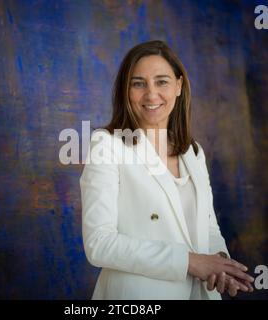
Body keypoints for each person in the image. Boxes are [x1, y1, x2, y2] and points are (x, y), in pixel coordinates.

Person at [79, 40, 254, 300]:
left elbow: (207, 228)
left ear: (179, 86)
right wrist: (190, 262)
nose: (151, 94)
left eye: (162, 81)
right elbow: (99, 244)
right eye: (138, 83)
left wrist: (220, 264)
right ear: (126, 92)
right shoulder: (107, 145)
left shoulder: (193, 152)